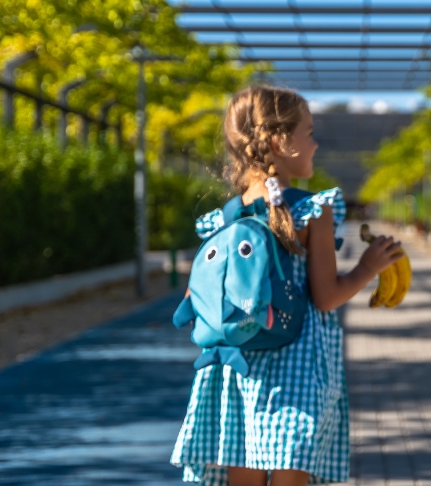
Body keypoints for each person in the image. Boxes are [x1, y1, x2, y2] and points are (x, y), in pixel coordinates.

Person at [171, 86, 405, 486]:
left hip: (237, 370)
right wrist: (369, 266)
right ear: (280, 141)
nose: (315, 143)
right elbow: (327, 297)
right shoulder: (314, 209)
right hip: (297, 372)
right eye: (309, 132)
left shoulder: (225, 218)